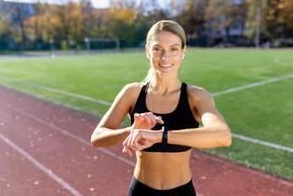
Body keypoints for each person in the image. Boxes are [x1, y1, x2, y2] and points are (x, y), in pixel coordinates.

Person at [91, 20, 232, 196]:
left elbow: (223, 136)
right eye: (157, 49)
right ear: (147, 51)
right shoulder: (132, 93)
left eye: (173, 49)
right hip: (141, 191)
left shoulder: (196, 96)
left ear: (183, 52)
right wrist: (133, 130)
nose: (165, 57)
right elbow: (97, 138)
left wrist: (158, 136)